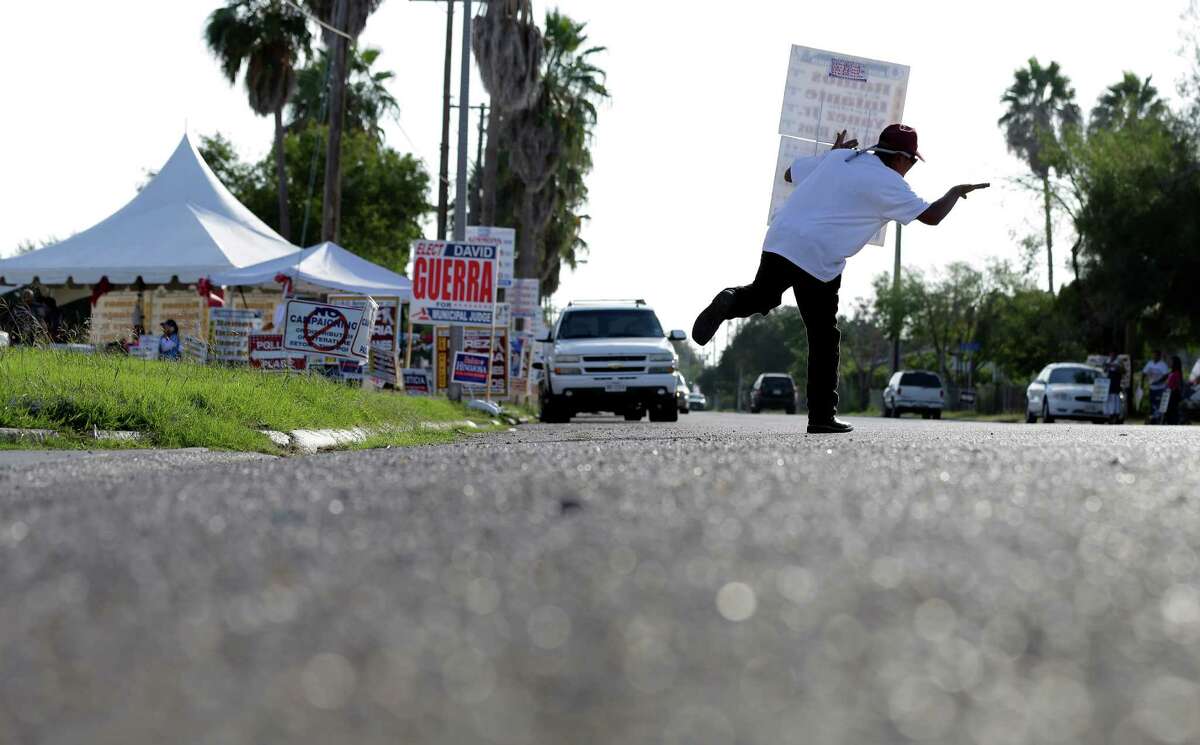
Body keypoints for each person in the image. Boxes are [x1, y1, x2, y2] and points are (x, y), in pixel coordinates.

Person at [691, 124, 988, 433]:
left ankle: (729, 300)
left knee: (761, 296)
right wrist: (954, 193)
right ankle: (821, 417)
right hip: (819, 257)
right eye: (911, 162)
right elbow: (931, 216)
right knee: (823, 337)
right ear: (900, 157)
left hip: (781, 237)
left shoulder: (842, 157)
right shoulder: (889, 183)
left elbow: (790, 174)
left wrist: (828, 155)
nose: (910, 168)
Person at [1142, 350, 1169, 423]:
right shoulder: (1149, 363)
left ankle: (1159, 418)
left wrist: (1158, 381)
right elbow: (1144, 373)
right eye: (1153, 355)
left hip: (1160, 388)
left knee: (1158, 403)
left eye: (1156, 355)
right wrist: (1142, 383)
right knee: (1152, 403)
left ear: (1159, 356)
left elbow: (1166, 375)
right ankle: (1152, 418)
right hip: (1152, 388)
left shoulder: (1163, 365)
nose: (1154, 356)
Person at [1103, 351, 1124, 423]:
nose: (1111, 355)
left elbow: (1122, 370)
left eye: (1113, 354)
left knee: (1115, 399)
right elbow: (1105, 370)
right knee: (1109, 400)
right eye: (1110, 354)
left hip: (1116, 384)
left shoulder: (1119, 362)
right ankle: (1109, 415)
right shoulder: (1107, 361)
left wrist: (1113, 366)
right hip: (1108, 384)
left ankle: (1115, 415)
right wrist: (1107, 366)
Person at [1165, 355, 1184, 425]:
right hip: (1169, 393)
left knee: (1172, 412)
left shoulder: (1177, 373)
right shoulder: (1171, 372)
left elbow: (1178, 385)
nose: (1169, 363)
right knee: (1169, 412)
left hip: (1174, 394)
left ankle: (1174, 424)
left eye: (1171, 361)